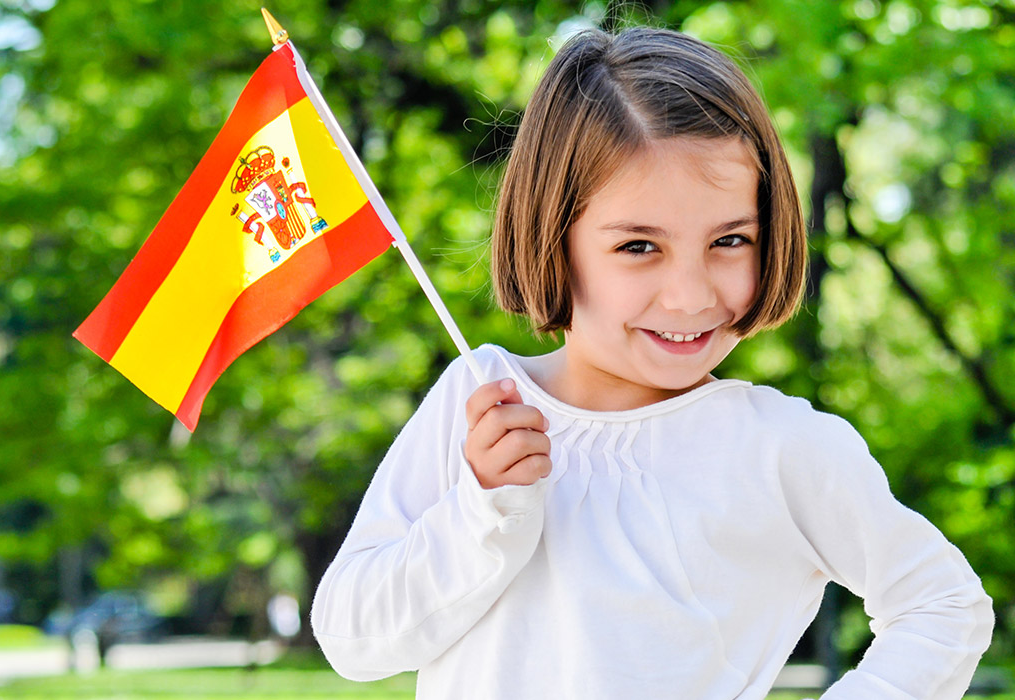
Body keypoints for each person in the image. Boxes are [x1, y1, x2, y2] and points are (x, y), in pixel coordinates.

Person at [310, 26, 994, 700]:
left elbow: (944, 606)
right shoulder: (481, 402)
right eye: (639, 246)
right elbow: (352, 641)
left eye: (729, 239)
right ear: (555, 240)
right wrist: (482, 513)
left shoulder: (782, 449)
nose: (692, 294)